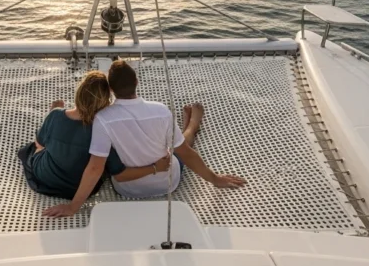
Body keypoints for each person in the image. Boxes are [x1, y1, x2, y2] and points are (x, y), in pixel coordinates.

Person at [44, 60, 245, 217]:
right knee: (181, 147)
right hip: (167, 181)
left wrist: (73, 207)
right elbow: (187, 154)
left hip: (127, 189)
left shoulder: (102, 119)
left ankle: (192, 123)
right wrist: (215, 179)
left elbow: (96, 168)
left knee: (175, 145)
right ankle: (192, 124)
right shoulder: (161, 111)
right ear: (137, 83)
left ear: (111, 91)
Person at [19, 71, 171, 199]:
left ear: (79, 93)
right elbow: (120, 174)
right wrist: (154, 168)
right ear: (105, 102)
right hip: (79, 190)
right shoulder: (104, 129)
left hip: (45, 178)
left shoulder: (56, 117)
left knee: (38, 146)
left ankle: (52, 114)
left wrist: (52, 116)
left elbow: (40, 144)